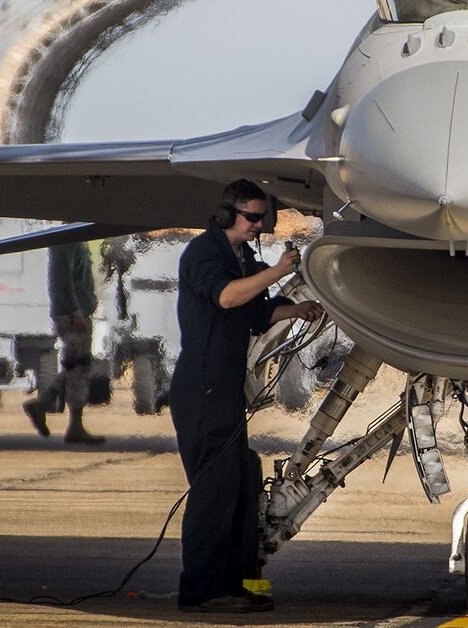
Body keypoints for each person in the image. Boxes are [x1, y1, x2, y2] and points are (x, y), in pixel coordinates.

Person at [172, 179, 322, 614]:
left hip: (224, 391)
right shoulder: (205, 254)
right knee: (214, 490)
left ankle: (237, 585)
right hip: (203, 388)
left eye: (263, 218)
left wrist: (295, 309)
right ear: (226, 215)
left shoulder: (242, 258)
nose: (259, 226)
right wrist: (277, 271)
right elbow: (226, 296)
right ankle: (199, 590)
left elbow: (254, 310)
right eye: (251, 218)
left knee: (241, 482)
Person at [24, 240, 102, 445]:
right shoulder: (67, 241)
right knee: (78, 368)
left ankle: (43, 404)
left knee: (75, 365)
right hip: (73, 316)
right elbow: (62, 279)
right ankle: (73, 424)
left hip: (78, 312)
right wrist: (75, 311)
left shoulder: (76, 239)